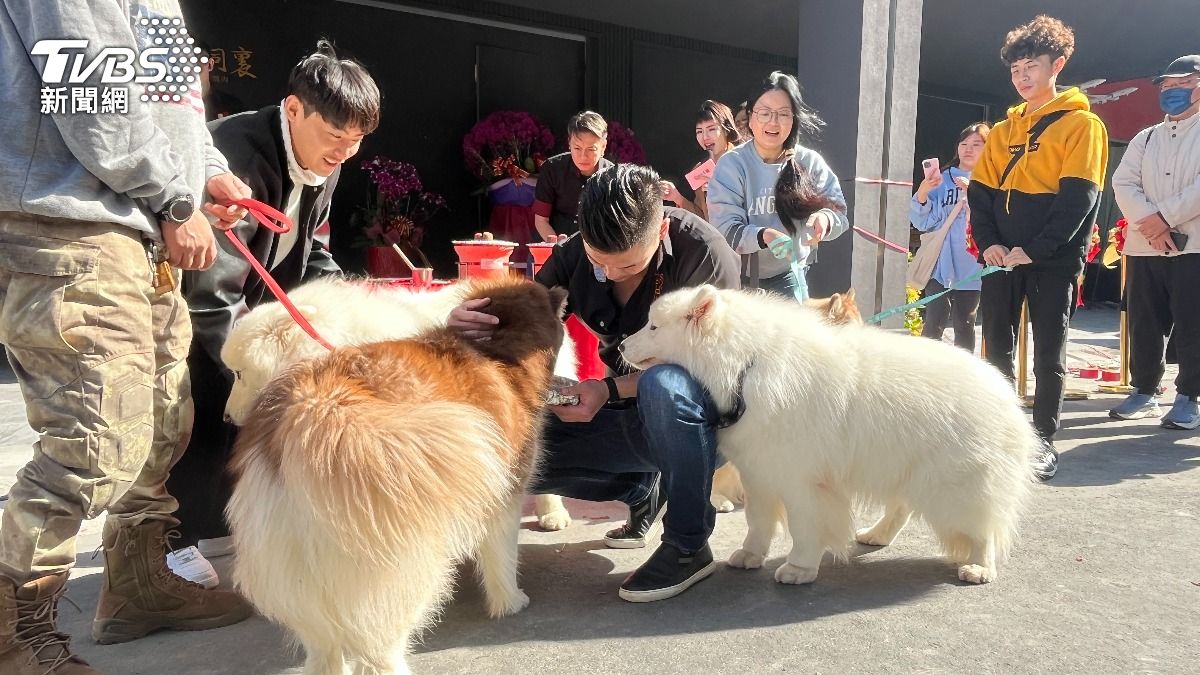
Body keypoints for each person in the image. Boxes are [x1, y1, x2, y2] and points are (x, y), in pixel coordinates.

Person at [0, 2, 257, 671]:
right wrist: (173, 196)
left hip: (141, 223)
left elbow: (178, 100)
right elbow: (85, 81)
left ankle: (139, 586)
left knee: (162, 422)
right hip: (73, 218)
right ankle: (12, 636)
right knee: (95, 436)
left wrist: (205, 171)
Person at [449, 164, 741, 602]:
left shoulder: (704, 254)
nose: (612, 273)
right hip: (622, 412)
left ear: (661, 226)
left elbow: (712, 370)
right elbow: (526, 315)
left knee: (665, 384)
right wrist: (468, 321)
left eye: (629, 263)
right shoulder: (574, 255)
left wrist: (609, 389)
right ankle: (639, 489)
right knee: (509, 456)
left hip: (702, 420)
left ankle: (687, 544)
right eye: (598, 260)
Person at [166, 41, 381, 585]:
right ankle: (173, 540)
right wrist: (252, 362)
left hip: (249, 305)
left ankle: (220, 519)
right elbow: (212, 293)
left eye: (355, 142)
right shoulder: (236, 155)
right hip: (194, 303)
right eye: (335, 136)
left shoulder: (323, 163)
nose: (343, 153)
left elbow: (311, 251)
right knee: (209, 390)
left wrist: (355, 305)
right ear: (292, 109)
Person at [967, 15, 1109, 480]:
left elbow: (1079, 198)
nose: (1022, 76)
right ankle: (1002, 433)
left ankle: (1044, 439)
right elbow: (980, 192)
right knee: (997, 350)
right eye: (1015, 69)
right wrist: (989, 244)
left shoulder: (1082, 124)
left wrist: (1035, 248)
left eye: (1031, 66)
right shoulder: (1004, 129)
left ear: (1058, 64)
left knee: (1050, 354)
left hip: (1051, 260)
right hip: (999, 259)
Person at [1108, 54, 1200, 430]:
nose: (1172, 91)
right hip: (1145, 244)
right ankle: (1144, 389)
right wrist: (1150, 223)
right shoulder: (1146, 137)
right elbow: (1122, 183)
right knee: (1144, 322)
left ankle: (1188, 396)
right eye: (1167, 85)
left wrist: (1164, 219)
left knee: (1193, 322)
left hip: (1193, 245)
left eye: (1182, 84)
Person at [707, 71, 848, 299]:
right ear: (750, 118)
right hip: (740, 280)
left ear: (794, 120)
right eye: (765, 113)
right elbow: (724, 229)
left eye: (783, 114)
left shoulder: (809, 162)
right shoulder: (732, 165)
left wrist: (825, 220)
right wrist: (764, 236)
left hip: (790, 275)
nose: (773, 122)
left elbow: (839, 214)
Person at [909, 123, 991, 351]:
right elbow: (923, 221)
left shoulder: (992, 180)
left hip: (973, 263)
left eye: (977, 144)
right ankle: (925, 372)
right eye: (964, 143)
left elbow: (995, 219)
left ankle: (961, 376)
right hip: (941, 260)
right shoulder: (943, 178)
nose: (968, 149)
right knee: (934, 318)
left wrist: (972, 193)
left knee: (965, 321)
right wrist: (924, 190)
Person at [532, 111, 615, 241]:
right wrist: (557, 246)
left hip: (595, 246)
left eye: (591, 149)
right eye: (577, 148)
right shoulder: (552, 168)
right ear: (569, 143)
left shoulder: (613, 176)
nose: (583, 156)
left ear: (603, 146)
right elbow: (541, 220)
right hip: (551, 241)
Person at [661, 100, 743, 221]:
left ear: (726, 129)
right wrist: (677, 197)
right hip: (715, 238)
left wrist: (721, 189)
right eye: (699, 131)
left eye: (711, 129)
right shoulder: (700, 170)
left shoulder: (743, 160)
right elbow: (702, 219)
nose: (705, 137)